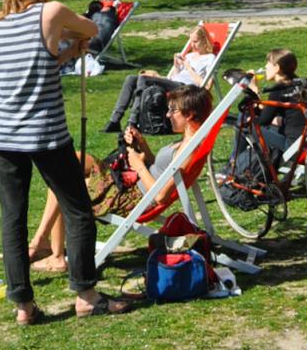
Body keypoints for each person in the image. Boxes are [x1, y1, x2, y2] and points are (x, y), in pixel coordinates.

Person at [0, 0, 130, 324]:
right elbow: (93, 29)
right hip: (44, 133)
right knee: (78, 209)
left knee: (12, 219)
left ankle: (23, 305)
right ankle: (86, 294)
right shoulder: (50, 12)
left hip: (3, 135)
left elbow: (32, 65)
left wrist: (65, 53)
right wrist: (73, 43)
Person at [29, 85, 213, 272]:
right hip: (127, 185)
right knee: (70, 161)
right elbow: (160, 169)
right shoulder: (188, 141)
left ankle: (53, 253)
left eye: (173, 110)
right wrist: (142, 145)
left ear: (189, 114)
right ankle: (43, 243)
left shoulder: (189, 150)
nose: (167, 115)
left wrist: (138, 166)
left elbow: (160, 197)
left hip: (131, 198)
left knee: (61, 181)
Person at [102, 24, 216, 132]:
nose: (192, 45)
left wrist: (188, 67)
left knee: (144, 80)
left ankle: (133, 121)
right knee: (131, 78)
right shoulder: (189, 55)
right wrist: (176, 66)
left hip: (186, 88)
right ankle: (114, 120)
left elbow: (206, 86)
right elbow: (174, 77)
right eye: (191, 41)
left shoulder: (210, 58)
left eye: (196, 41)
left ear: (204, 40)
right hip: (174, 82)